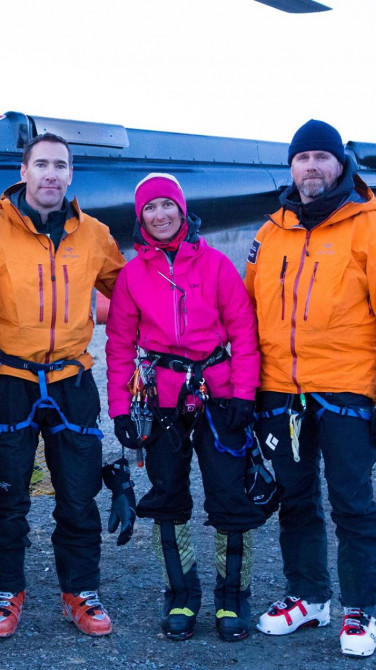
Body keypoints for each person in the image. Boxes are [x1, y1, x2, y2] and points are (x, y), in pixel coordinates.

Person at [245, 119, 376, 657]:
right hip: (282, 393)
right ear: (292, 167)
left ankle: (363, 608)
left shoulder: (373, 230)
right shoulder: (270, 233)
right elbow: (248, 314)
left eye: (323, 158)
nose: (312, 167)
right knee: (296, 499)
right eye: (303, 159)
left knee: (352, 502)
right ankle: (308, 597)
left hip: (347, 392)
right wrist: (246, 386)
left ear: (340, 165)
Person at [0, 132, 126, 638]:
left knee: (79, 494)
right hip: (11, 379)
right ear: (23, 171)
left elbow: (134, 294)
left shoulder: (94, 235)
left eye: (61, 166)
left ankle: (81, 590)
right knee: (7, 495)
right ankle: (6, 592)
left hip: (73, 379)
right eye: (42, 164)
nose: (51, 174)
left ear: (71, 175)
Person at [104, 173, 264, 643]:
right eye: (149, 209)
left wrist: (243, 396)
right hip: (161, 398)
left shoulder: (216, 266)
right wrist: (119, 410)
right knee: (167, 495)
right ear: (141, 218)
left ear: (181, 210)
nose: (159, 216)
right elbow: (118, 345)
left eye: (166, 206)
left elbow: (244, 335)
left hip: (218, 391)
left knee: (229, 497)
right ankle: (181, 593)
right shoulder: (133, 275)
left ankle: (232, 597)